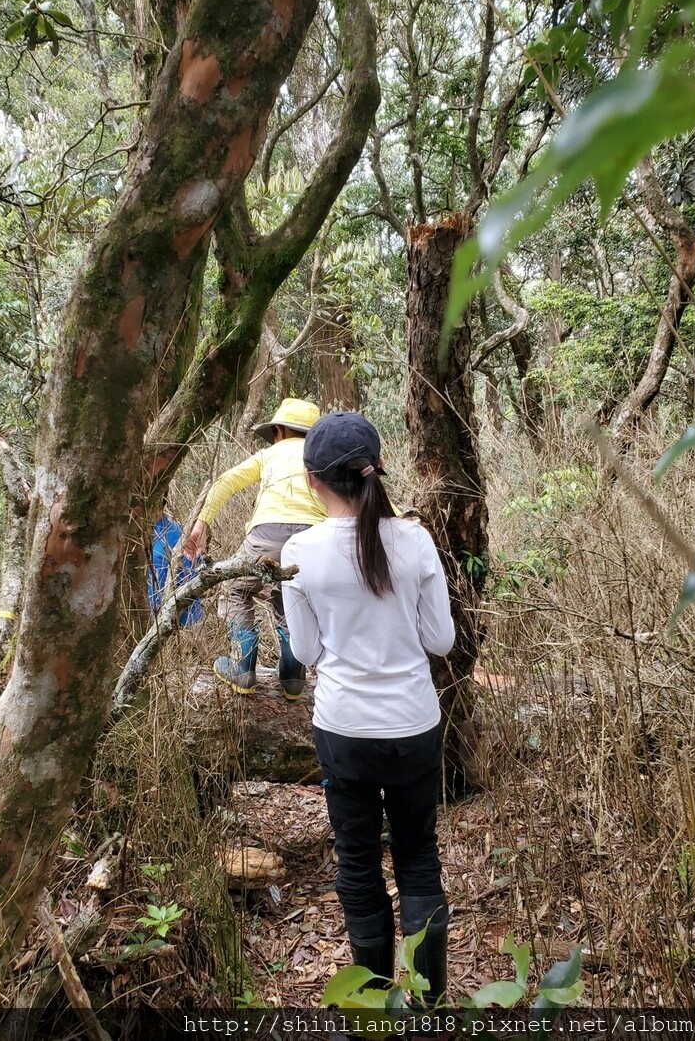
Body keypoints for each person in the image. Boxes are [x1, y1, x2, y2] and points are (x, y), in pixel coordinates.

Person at [280, 411, 455, 1007]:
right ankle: (429, 1006)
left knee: (357, 862)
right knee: (417, 857)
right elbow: (440, 641)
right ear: (375, 470)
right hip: (413, 724)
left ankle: (375, 1006)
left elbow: (303, 653)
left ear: (312, 481)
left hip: (344, 728)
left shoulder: (298, 552)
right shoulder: (415, 539)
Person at [184, 397, 325, 701]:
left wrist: (202, 523)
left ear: (280, 431)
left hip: (268, 533)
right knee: (290, 594)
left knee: (236, 589)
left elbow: (226, 481)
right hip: (316, 539)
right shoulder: (321, 456)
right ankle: (292, 675)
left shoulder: (269, 454)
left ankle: (243, 667)